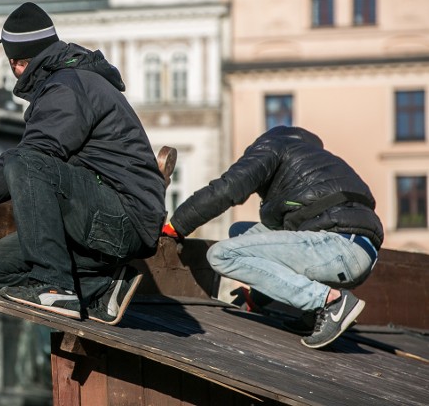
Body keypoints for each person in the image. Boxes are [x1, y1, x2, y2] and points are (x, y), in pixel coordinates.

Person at [0, 2, 167, 325]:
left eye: (11, 62)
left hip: (122, 216)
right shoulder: (69, 82)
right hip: (100, 219)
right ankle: (102, 285)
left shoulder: (68, 87)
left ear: (18, 62)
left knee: (28, 161)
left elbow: (31, 159)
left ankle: (56, 286)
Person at [162, 125, 384, 349]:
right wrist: (256, 298)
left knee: (221, 255)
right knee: (240, 232)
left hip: (337, 247)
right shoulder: (319, 164)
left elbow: (227, 188)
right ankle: (311, 314)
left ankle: (329, 302)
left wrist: (177, 225)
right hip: (359, 250)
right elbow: (280, 247)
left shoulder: (274, 147)